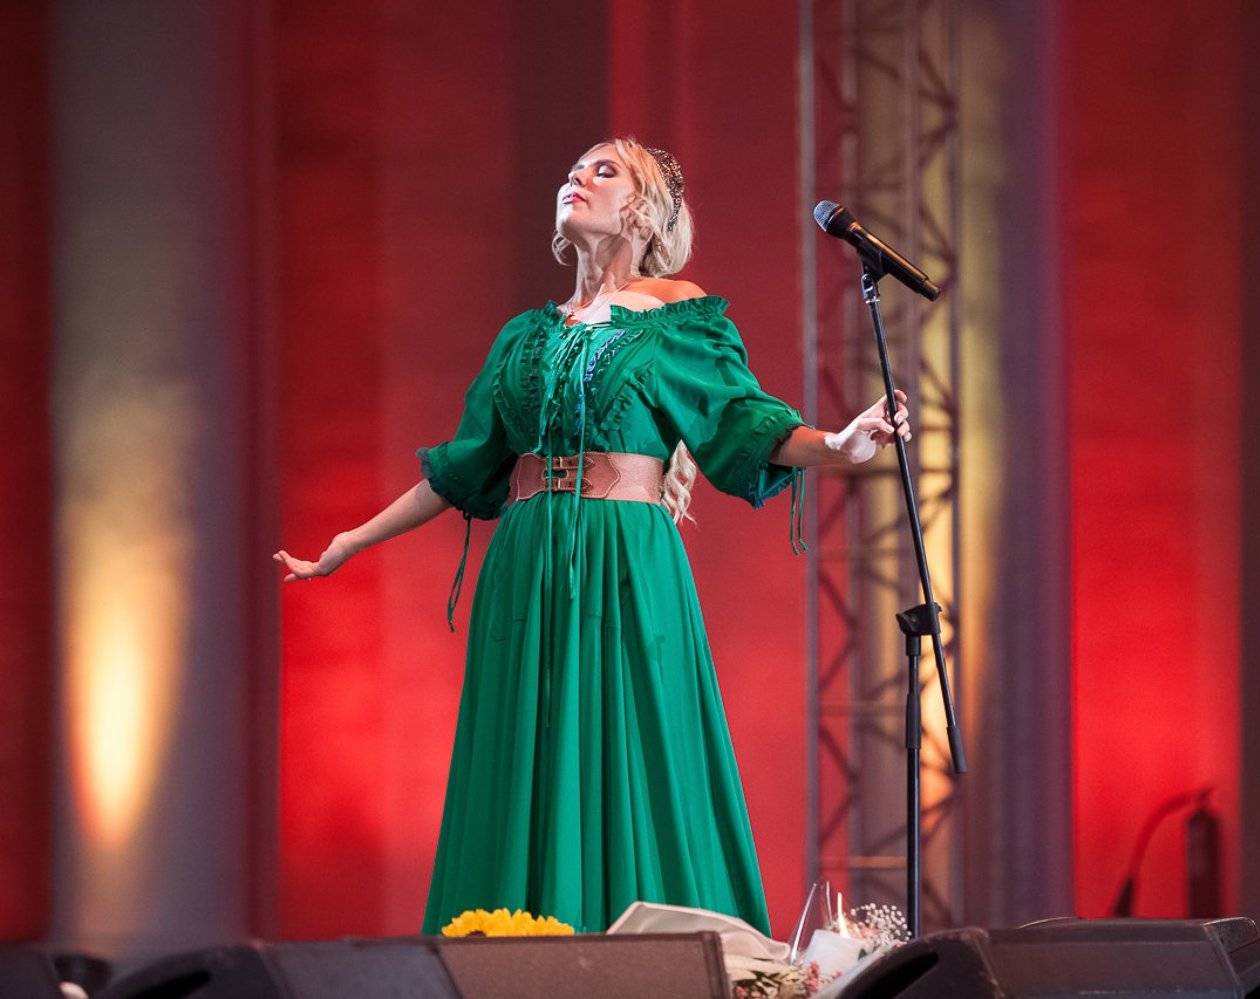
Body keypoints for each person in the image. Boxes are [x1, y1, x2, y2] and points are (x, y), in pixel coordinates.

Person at [273, 137, 911, 936]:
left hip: (623, 562)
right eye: (572, 169)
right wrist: (350, 542)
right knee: (524, 763)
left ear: (643, 211)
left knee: (634, 757)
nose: (577, 178)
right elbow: (463, 466)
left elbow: (743, 422)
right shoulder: (524, 337)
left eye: (603, 171)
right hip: (528, 567)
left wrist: (840, 444)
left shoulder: (674, 317)